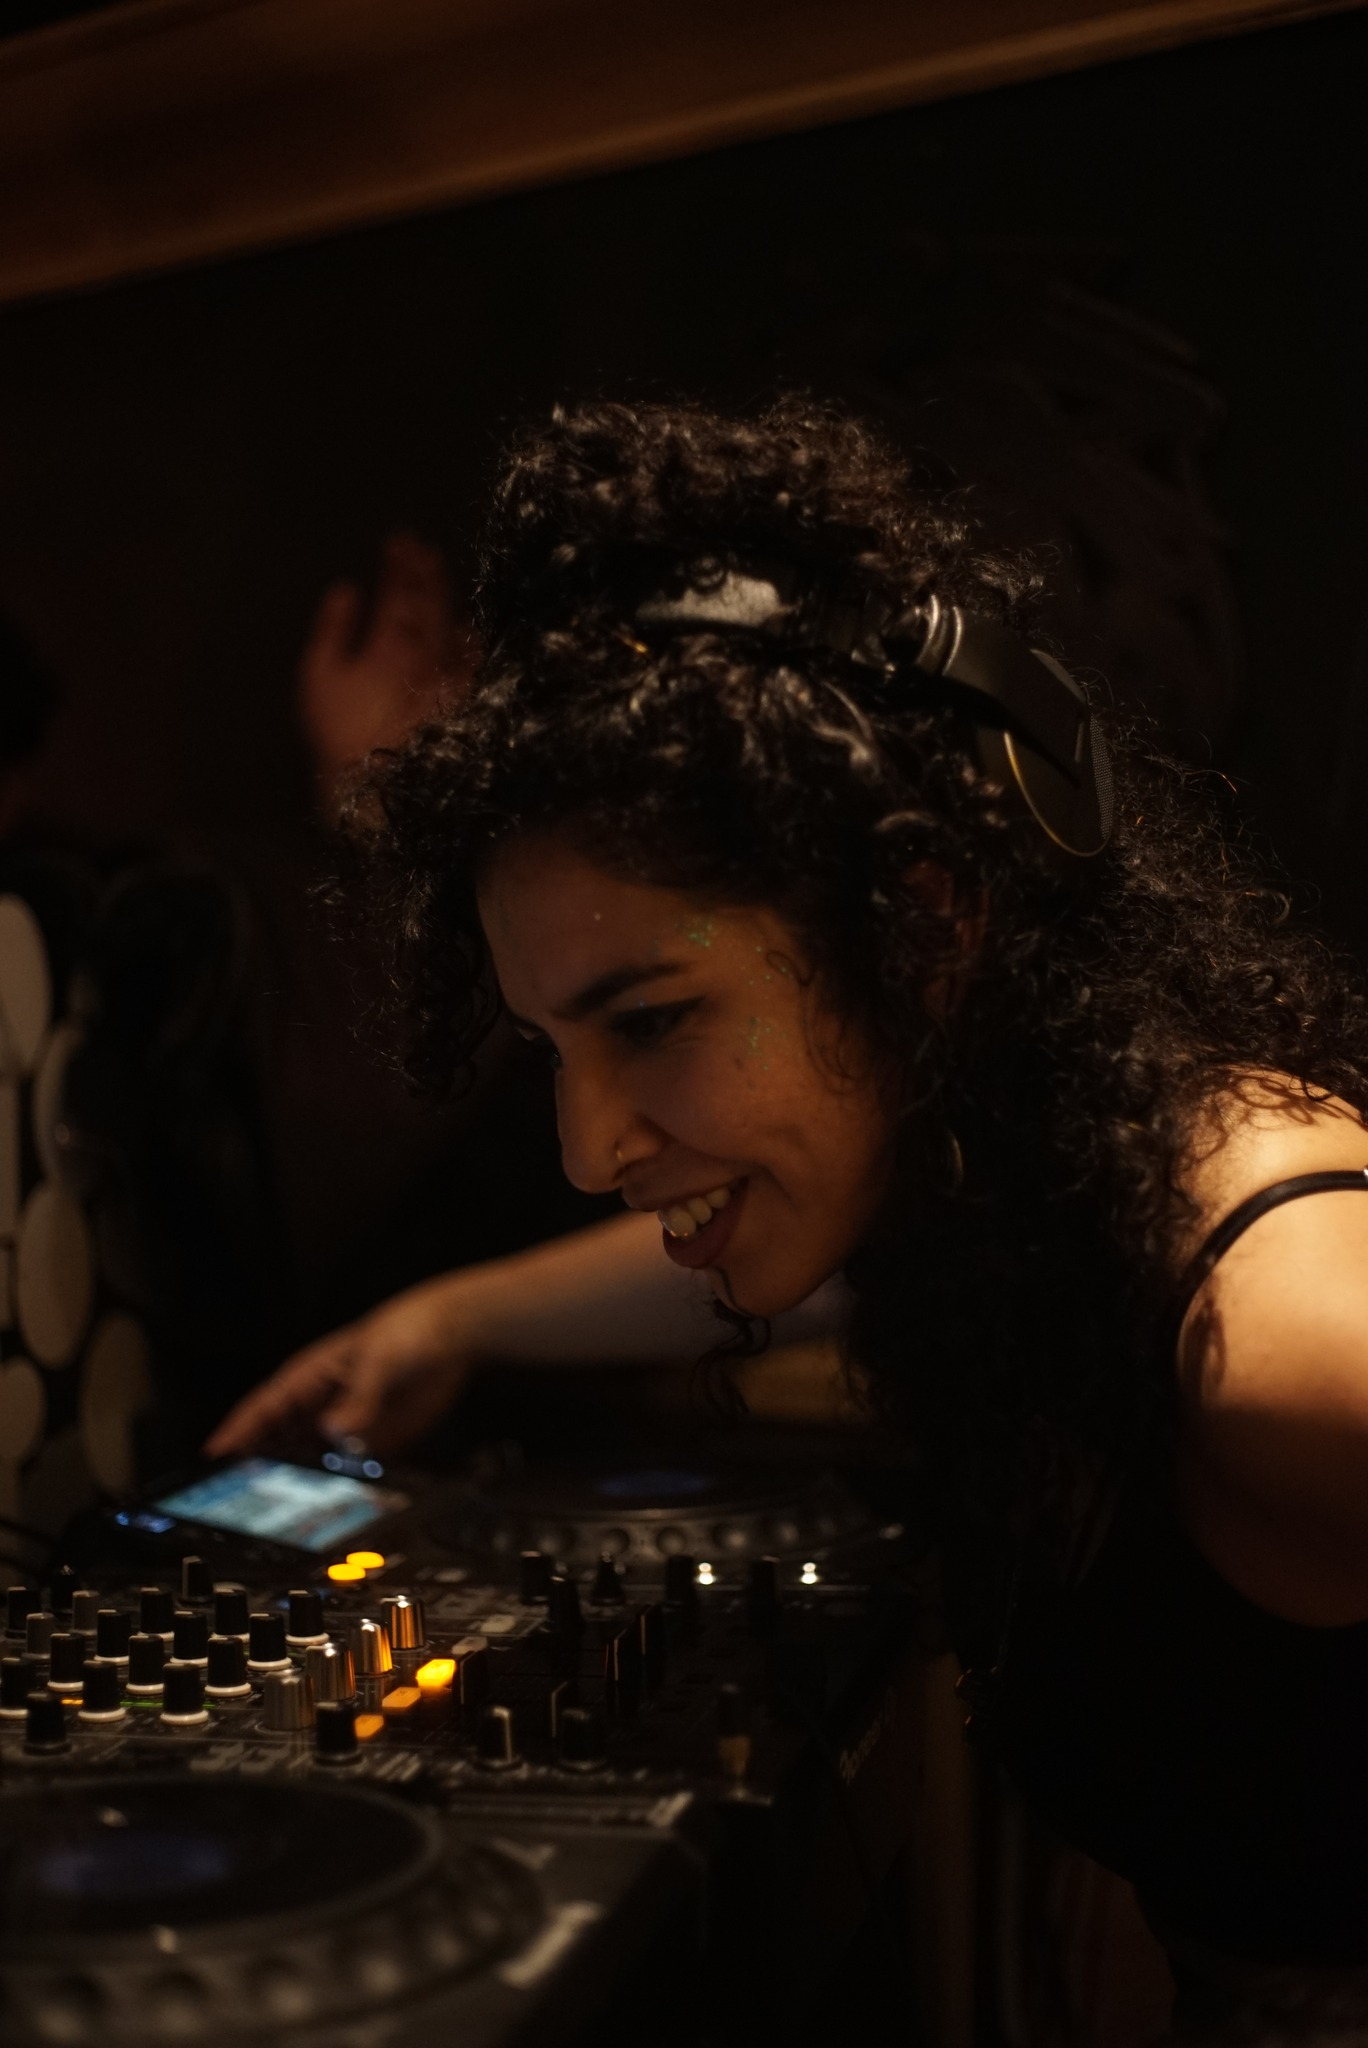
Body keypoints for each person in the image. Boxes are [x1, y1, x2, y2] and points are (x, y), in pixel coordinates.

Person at [209, 397, 1368, 2036]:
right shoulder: (1020, 1173)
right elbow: (749, 1269)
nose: (589, 1146)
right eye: (551, 1051)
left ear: (924, 927)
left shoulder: (1283, 1339)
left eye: (652, 1021)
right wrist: (448, 1323)